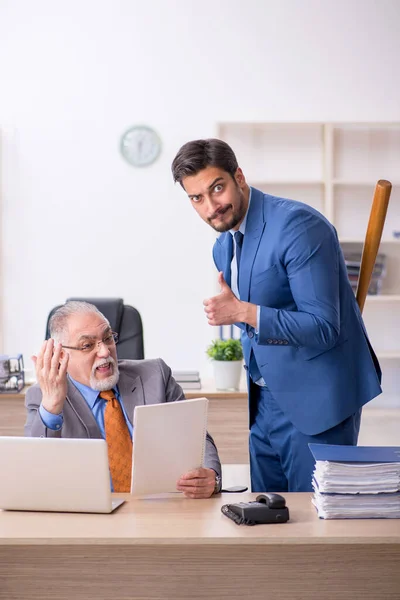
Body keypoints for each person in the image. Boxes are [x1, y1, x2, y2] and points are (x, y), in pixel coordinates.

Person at [171, 138, 382, 493]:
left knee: (315, 531)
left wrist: (243, 312)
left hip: (317, 405)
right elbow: (258, 323)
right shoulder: (224, 245)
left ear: (239, 176)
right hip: (263, 404)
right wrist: (240, 314)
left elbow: (325, 327)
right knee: (266, 527)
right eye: (197, 198)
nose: (211, 206)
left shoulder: (298, 226)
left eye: (217, 188)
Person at [25, 301, 221, 498]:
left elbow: (196, 437)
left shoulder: (156, 376)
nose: (104, 352)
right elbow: (35, 472)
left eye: (108, 338)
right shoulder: (42, 396)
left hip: (161, 508)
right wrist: (52, 405)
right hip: (88, 517)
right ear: (60, 356)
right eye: (87, 345)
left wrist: (212, 476)